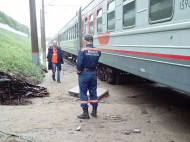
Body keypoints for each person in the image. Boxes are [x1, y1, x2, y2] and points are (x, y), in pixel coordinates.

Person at [77, 35, 101, 119]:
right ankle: (94, 111)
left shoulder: (83, 50)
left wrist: (79, 71)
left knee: (83, 92)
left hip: (85, 73)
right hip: (93, 72)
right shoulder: (98, 51)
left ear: (86, 41)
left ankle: (85, 113)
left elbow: (79, 64)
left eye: (83, 40)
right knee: (93, 91)